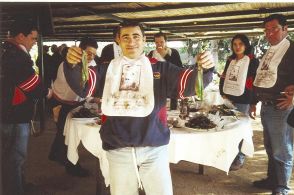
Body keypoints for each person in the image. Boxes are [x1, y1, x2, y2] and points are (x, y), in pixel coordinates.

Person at [66, 21, 214, 195]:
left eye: (136, 36)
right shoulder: (107, 70)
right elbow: (84, 85)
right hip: (118, 149)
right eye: (125, 37)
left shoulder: (161, 69)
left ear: (144, 40)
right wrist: (72, 65)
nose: (131, 42)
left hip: (154, 149)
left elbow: (187, 83)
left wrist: (204, 68)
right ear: (118, 41)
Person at [0, 18, 50, 195]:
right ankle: (15, 190)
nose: (34, 43)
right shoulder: (16, 55)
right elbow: (31, 84)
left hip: (8, 112)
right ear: (21, 36)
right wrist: (47, 92)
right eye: (33, 38)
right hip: (14, 115)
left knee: (12, 157)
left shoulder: (7, 51)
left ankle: (19, 185)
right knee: (15, 157)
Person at [250, 14, 294, 195]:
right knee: (271, 147)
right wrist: (254, 102)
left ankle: (283, 186)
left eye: (274, 29)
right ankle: (272, 180)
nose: (269, 33)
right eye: (266, 30)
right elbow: (260, 78)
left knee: (281, 149)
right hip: (267, 106)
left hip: (281, 106)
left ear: (286, 29)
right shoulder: (269, 50)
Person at [48, 37, 100, 177]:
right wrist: (90, 97)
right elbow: (82, 90)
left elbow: (84, 92)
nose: (91, 57)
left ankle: (55, 155)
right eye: (88, 53)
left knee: (61, 133)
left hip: (74, 102)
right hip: (62, 103)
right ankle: (72, 166)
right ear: (79, 50)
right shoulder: (69, 65)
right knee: (67, 137)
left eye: (94, 54)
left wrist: (91, 99)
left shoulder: (87, 64)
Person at [219, 34, 259, 171]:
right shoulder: (230, 60)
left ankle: (240, 158)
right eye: (234, 44)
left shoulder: (253, 61)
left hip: (244, 100)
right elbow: (224, 76)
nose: (237, 47)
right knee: (228, 128)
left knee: (241, 130)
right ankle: (230, 156)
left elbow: (255, 83)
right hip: (229, 99)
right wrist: (222, 93)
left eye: (240, 44)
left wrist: (254, 102)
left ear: (246, 45)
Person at [148, 32, 183, 110]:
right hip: (157, 83)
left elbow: (179, 68)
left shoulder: (173, 52)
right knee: (158, 105)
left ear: (166, 42)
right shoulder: (152, 53)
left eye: (161, 42)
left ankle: (173, 114)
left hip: (171, 82)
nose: (159, 44)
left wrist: (165, 56)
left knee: (173, 106)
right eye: (157, 42)